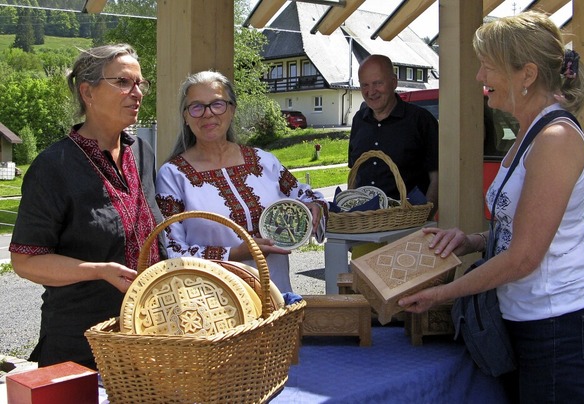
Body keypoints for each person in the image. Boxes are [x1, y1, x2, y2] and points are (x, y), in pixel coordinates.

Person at [399, 11, 584, 403]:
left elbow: (524, 257)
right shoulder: (528, 132)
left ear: (526, 75)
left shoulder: (555, 138)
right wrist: (470, 240)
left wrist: (442, 295)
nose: (480, 77)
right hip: (525, 322)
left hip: (557, 331)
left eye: (488, 67)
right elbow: (517, 232)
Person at [9, 44, 164, 370]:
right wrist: (99, 271)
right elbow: (25, 261)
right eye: (123, 82)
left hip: (146, 335)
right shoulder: (54, 166)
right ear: (87, 92)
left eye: (140, 83)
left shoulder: (143, 153)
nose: (136, 93)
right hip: (80, 344)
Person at [155, 70, 327, 293]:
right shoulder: (174, 175)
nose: (207, 114)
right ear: (186, 117)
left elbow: (307, 196)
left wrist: (314, 208)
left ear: (232, 109)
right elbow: (174, 251)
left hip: (276, 294)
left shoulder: (263, 161)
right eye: (196, 107)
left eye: (217, 104)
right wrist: (236, 252)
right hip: (214, 304)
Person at [348, 54, 439, 212]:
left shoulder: (420, 120)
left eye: (377, 83)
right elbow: (354, 174)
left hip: (407, 224)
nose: (371, 91)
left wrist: (425, 217)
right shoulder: (358, 120)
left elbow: (437, 177)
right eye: (365, 85)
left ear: (394, 82)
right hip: (363, 223)